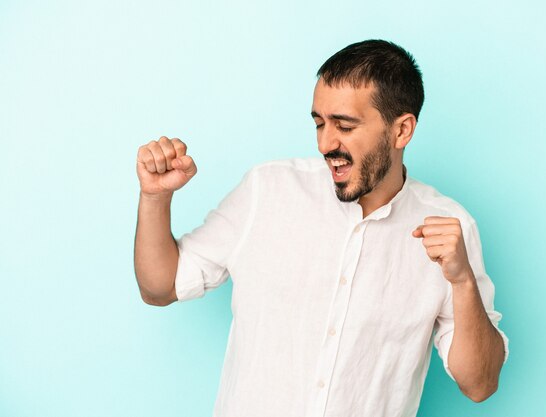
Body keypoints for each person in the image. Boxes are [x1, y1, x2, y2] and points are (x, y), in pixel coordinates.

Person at [134, 39, 509, 417]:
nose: (326, 143)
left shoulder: (449, 228)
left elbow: (480, 384)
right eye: (319, 123)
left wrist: (463, 283)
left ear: (402, 131)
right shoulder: (267, 190)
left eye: (345, 126)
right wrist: (154, 197)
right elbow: (160, 286)